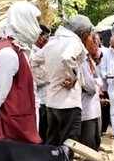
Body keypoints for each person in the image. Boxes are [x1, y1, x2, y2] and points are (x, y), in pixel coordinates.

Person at [0, 1, 42, 146]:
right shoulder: (8, 54)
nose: (39, 29)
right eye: (36, 22)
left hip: (18, 134)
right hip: (11, 136)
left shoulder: (18, 50)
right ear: (24, 21)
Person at [32, 15, 93, 146]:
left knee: (52, 142)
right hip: (69, 105)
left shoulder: (53, 42)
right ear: (83, 33)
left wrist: (47, 78)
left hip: (51, 103)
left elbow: (33, 61)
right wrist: (73, 77)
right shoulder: (75, 42)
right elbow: (67, 58)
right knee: (68, 145)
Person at [80, 32, 102, 150]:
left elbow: (99, 81)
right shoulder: (83, 61)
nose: (97, 46)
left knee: (95, 142)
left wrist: (96, 84)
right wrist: (96, 84)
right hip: (86, 110)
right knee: (88, 146)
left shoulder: (91, 61)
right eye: (95, 43)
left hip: (95, 109)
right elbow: (91, 87)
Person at [30, 24, 51, 142]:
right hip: (39, 99)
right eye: (45, 37)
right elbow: (35, 77)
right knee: (41, 133)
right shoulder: (32, 53)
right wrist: (50, 77)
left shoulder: (46, 51)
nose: (47, 40)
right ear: (39, 37)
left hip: (48, 98)